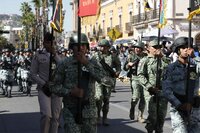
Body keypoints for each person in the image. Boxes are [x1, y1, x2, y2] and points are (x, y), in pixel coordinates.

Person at [49, 33, 112, 133]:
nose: (80, 48)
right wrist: (69, 92)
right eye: (77, 46)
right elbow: (53, 86)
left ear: (87, 47)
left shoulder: (93, 63)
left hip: (89, 112)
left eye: (83, 45)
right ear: (71, 48)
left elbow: (108, 81)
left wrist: (86, 64)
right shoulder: (64, 64)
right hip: (71, 111)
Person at [162, 37, 200, 133]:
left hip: (195, 108)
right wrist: (179, 104)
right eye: (183, 48)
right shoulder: (171, 68)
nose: (186, 49)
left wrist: (194, 58)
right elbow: (167, 90)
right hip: (178, 108)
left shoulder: (195, 66)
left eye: (188, 47)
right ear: (178, 50)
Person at [30, 32, 62, 133]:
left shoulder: (60, 55)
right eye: (47, 42)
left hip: (56, 89)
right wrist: (43, 83)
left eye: (52, 42)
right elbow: (33, 74)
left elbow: (63, 67)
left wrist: (55, 55)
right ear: (44, 43)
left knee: (55, 117)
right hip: (44, 89)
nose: (50, 44)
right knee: (46, 115)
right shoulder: (38, 56)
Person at [137, 39, 170, 133]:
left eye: (159, 47)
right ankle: (150, 129)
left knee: (161, 116)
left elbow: (170, 68)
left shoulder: (164, 59)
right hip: (151, 91)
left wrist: (162, 57)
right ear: (149, 49)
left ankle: (159, 130)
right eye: (155, 47)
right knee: (153, 116)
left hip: (163, 91)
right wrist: (149, 87)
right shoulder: (145, 60)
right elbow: (140, 75)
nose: (157, 49)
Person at [93, 39, 121, 126]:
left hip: (108, 81)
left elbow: (118, 65)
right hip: (98, 80)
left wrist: (117, 72)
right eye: (100, 46)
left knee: (106, 100)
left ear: (108, 47)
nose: (102, 48)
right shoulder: (95, 56)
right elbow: (90, 65)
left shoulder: (112, 56)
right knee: (98, 97)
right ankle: (98, 116)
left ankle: (105, 117)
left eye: (104, 46)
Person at [124, 41, 147, 122]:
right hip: (135, 78)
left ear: (142, 49)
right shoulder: (130, 56)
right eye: (136, 48)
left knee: (143, 98)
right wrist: (128, 65)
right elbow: (125, 68)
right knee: (136, 97)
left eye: (139, 48)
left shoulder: (146, 57)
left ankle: (140, 116)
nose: (137, 49)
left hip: (144, 79)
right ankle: (132, 108)